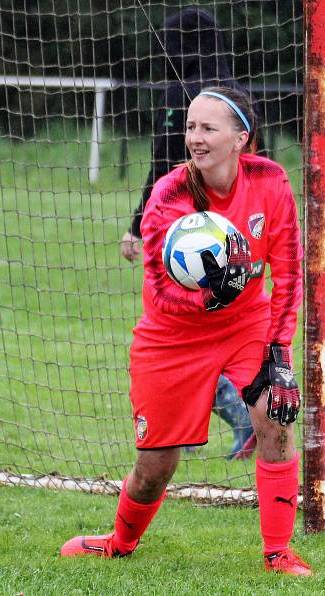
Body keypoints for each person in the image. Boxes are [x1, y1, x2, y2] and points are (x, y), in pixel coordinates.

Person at [61, 86, 311, 576]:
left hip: (245, 323)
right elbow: (159, 283)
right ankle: (119, 541)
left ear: (242, 138)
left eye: (208, 128)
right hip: (171, 335)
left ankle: (278, 552)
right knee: (156, 468)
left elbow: (289, 272)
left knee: (274, 416)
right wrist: (208, 293)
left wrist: (278, 354)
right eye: (191, 127)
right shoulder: (168, 195)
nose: (195, 138)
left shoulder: (271, 182)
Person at [122, 8, 257, 460]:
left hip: (192, 231)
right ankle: (201, 422)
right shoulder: (231, 92)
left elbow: (163, 160)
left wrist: (137, 224)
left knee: (182, 330)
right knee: (210, 326)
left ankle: (232, 417)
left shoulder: (194, 96)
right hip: (233, 231)